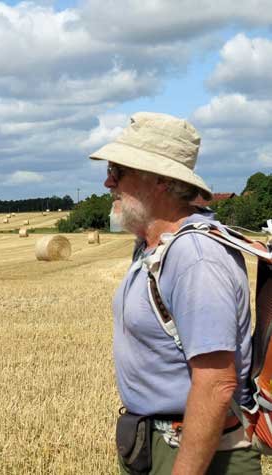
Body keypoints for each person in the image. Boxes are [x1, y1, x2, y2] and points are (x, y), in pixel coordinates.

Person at [88, 112, 261, 474]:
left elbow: (216, 383)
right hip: (156, 446)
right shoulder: (153, 248)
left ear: (160, 181)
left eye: (118, 171)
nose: (108, 182)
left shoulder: (195, 257)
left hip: (200, 455)